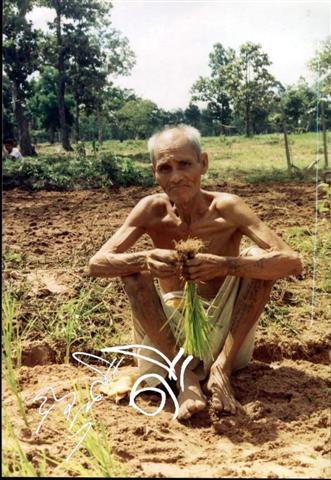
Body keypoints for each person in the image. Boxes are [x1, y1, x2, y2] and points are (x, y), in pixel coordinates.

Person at [89, 124, 303, 421]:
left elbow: (292, 261)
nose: (175, 177)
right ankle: (184, 376)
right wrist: (144, 258)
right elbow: (96, 264)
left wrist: (226, 264)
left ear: (203, 164)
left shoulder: (227, 208)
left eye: (185, 164)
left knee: (257, 260)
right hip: (170, 338)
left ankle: (221, 371)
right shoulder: (151, 209)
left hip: (225, 334)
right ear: (155, 172)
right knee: (132, 271)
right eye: (165, 168)